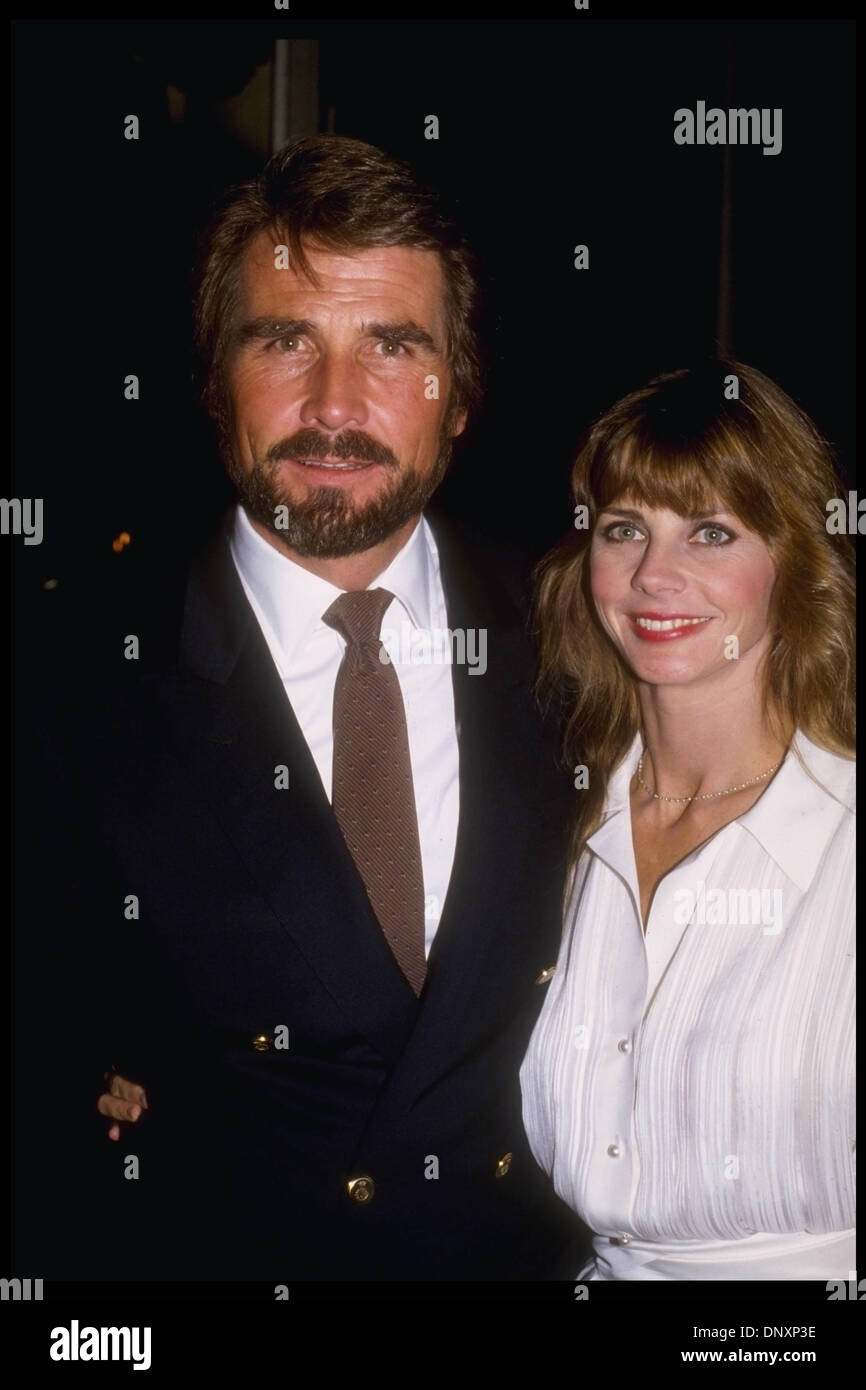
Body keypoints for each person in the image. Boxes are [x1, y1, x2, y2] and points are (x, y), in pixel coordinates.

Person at [13, 134, 584, 1281]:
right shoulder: (68, 680)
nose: (334, 403)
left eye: (391, 345)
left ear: (457, 395)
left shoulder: (590, 642)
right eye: (285, 340)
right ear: (213, 380)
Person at [520, 360, 855, 1280]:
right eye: (625, 529)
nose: (653, 576)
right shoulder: (557, 823)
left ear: (792, 563)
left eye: (711, 532)